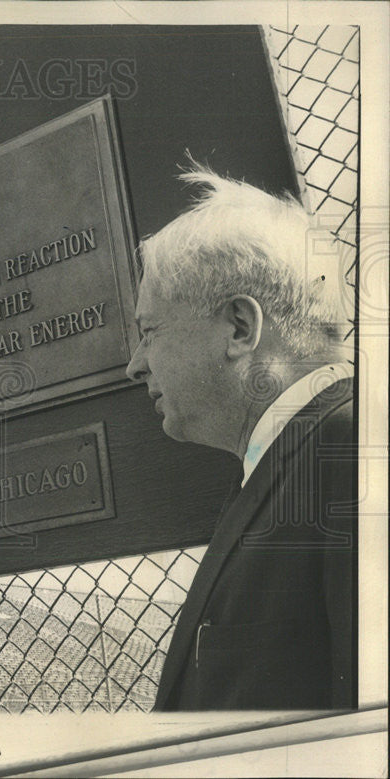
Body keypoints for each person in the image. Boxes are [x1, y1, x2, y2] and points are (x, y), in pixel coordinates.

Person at [126, 168, 357, 710]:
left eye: (149, 331)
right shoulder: (288, 463)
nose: (136, 365)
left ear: (238, 328)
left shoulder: (354, 452)